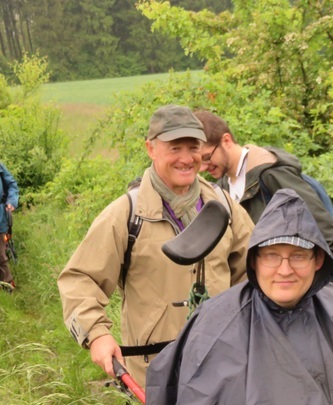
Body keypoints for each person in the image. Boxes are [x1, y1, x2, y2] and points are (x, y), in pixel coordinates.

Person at [145, 189, 333, 405]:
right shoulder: (217, 324)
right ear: (254, 260)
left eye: (298, 256)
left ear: (317, 260)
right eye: (272, 256)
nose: (285, 270)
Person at [58, 104, 254, 387]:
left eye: (193, 147)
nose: (186, 158)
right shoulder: (127, 213)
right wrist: (97, 334)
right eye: (175, 148)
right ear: (151, 149)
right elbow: (79, 279)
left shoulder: (225, 206)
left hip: (223, 366)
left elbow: (253, 272)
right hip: (156, 374)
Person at [193, 110, 333, 288]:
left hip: (303, 291)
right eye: (199, 162)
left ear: (226, 141)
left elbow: (324, 231)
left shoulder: (270, 174)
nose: (204, 168)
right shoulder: (223, 190)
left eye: (207, 157)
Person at [0, 162, 18, 291]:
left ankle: (7, 286)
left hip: (0, 217)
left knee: (0, 254)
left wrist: (11, 202)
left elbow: (12, 185)